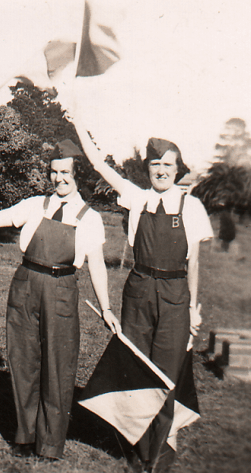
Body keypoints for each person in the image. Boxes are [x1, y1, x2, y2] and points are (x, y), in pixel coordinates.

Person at [0, 140, 119, 460]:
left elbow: (97, 265)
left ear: (77, 175)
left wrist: (107, 308)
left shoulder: (90, 218)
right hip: (25, 285)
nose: (59, 179)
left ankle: (50, 444)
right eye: (54, 172)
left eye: (66, 173)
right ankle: (25, 434)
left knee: (58, 367)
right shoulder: (34, 205)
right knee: (23, 360)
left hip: (61, 289)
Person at [72, 119, 213, 472]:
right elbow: (99, 166)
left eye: (168, 165)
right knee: (137, 368)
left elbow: (193, 262)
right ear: (146, 169)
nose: (161, 171)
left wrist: (193, 309)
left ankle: (160, 453)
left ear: (178, 169)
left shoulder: (191, 206)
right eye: (155, 164)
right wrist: (79, 123)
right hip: (138, 292)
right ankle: (136, 447)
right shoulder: (136, 198)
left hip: (175, 294)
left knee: (167, 373)